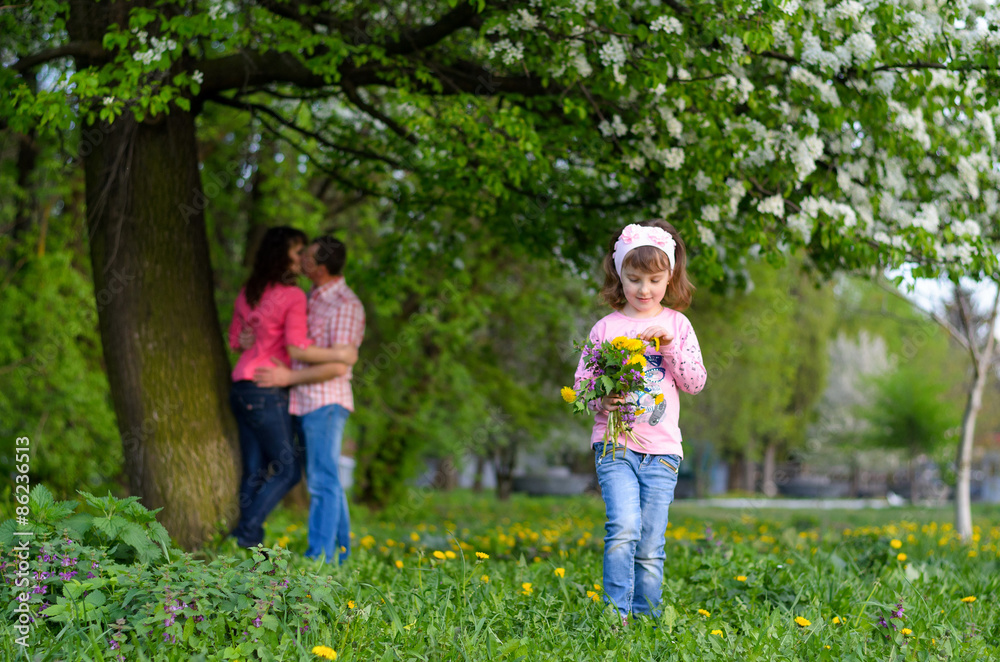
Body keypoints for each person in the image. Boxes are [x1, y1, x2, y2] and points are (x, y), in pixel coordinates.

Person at [574, 220, 707, 624]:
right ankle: (616, 619)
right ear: (619, 275)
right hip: (614, 446)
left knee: (650, 543)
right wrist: (602, 398)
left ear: (670, 278)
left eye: (654, 279)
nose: (644, 289)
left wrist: (667, 350)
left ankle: (646, 620)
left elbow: (695, 382)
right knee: (624, 528)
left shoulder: (678, 326)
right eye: (634, 279)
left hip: (663, 452)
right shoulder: (606, 328)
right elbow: (581, 388)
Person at [228, 227, 356, 549]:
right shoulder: (295, 295)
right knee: (287, 472)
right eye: (298, 252)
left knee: (255, 470)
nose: (302, 259)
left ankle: (249, 544)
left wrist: (248, 340)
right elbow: (297, 347)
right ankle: (245, 533)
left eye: (306, 253)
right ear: (282, 255)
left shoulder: (249, 290)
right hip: (268, 389)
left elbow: (235, 339)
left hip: (242, 385)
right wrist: (343, 354)